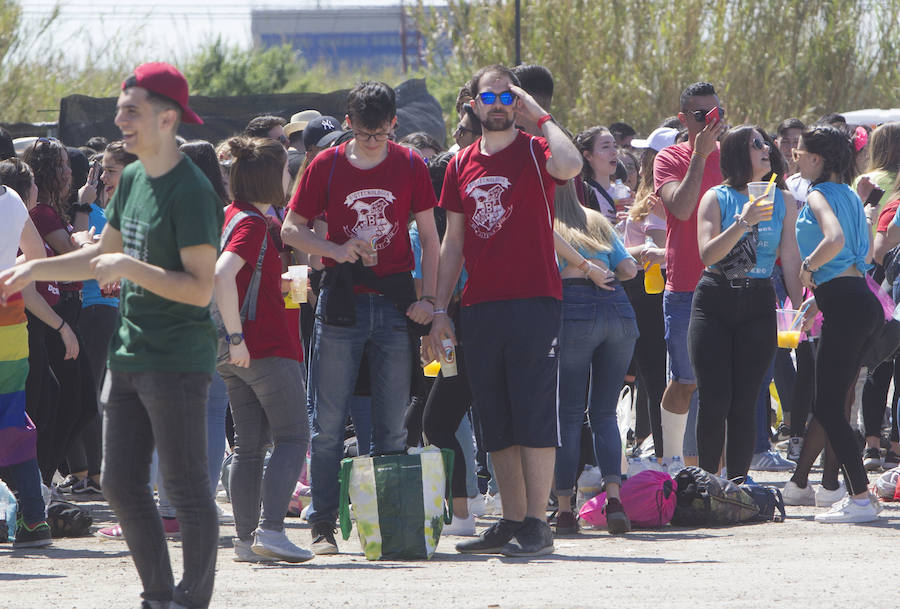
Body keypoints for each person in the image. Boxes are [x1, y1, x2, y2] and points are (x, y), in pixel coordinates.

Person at [1, 62, 223, 608]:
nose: (120, 118)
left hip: (177, 357)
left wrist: (129, 266)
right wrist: (36, 269)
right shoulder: (133, 180)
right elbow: (100, 256)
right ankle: (158, 594)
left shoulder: (191, 191)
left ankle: (191, 598)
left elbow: (198, 289)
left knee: (188, 488)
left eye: (133, 109)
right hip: (129, 353)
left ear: (167, 117)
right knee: (121, 484)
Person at [427, 63, 582, 556]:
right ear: (473, 104)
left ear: (515, 102)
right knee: (496, 417)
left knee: (533, 412)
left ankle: (538, 523)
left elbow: (571, 165)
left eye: (504, 97)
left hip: (535, 301)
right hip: (479, 306)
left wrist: (541, 115)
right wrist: (438, 307)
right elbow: (453, 243)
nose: (496, 106)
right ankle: (513, 518)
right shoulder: (459, 164)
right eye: (487, 98)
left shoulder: (537, 151)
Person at [281, 81, 440, 555]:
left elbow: (431, 239)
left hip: (395, 304)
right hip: (340, 303)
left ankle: (388, 526)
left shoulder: (411, 163)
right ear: (348, 124)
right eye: (365, 133)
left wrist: (429, 300)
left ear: (395, 124)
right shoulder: (325, 164)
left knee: (393, 426)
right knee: (327, 424)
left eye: (381, 133)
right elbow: (292, 229)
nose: (373, 142)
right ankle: (323, 525)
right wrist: (335, 249)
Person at [214, 135, 313, 563]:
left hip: (238, 353)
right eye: (286, 169)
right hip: (262, 348)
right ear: (269, 177)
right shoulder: (255, 225)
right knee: (293, 437)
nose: (290, 175)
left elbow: (282, 290)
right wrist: (238, 338)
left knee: (250, 447)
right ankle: (272, 530)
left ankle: (245, 539)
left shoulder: (235, 216)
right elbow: (222, 275)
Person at [689, 125, 803, 481]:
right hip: (715, 297)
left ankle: (736, 486)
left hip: (757, 297)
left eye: (766, 143)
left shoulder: (783, 199)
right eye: (756, 144)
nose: (766, 148)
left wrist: (799, 309)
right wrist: (744, 221)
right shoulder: (715, 197)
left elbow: (790, 255)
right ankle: (709, 484)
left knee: (745, 402)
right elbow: (709, 254)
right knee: (714, 400)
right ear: (739, 153)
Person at [791, 125, 882, 523]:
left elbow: (836, 240)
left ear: (817, 160)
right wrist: (817, 300)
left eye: (800, 151)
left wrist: (808, 267)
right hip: (859, 302)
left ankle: (860, 496)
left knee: (827, 405)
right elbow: (852, 259)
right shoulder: (848, 193)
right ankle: (860, 493)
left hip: (848, 306)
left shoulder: (817, 193)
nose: (794, 157)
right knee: (833, 403)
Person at [552, 180, 638, 535]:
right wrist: (604, 272)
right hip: (618, 307)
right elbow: (630, 269)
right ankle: (614, 500)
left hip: (572, 305)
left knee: (568, 416)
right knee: (603, 413)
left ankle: (564, 509)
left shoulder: (544, 222)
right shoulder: (595, 219)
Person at [653, 82, 726, 472]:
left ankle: (717, 473)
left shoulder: (734, 158)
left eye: (717, 114)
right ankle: (673, 462)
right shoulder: (669, 157)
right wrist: (699, 157)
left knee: (725, 388)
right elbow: (680, 209)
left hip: (732, 286)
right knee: (685, 380)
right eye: (701, 115)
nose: (711, 121)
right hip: (685, 288)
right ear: (684, 119)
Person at [0, 184, 53, 548]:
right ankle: (34, 519)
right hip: (11, 323)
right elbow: (36, 255)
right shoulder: (13, 199)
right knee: (12, 419)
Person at [621, 126, 678, 458]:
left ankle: (661, 451)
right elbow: (659, 253)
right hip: (649, 292)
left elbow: (657, 251)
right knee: (656, 377)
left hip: (650, 292)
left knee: (656, 378)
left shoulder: (654, 201)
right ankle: (661, 453)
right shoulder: (654, 202)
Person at [575, 127, 631, 223]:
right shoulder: (582, 194)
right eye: (606, 147)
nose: (614, 152)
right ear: (588, 155)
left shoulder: (624, 191)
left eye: (615, 146)